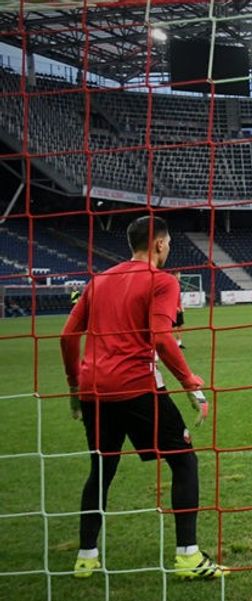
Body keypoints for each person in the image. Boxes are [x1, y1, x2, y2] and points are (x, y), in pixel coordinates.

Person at [59, 215, 225, 580]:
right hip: (136, 386)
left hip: (93, 390)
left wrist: (74, 386)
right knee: (184, 462)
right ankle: (188, 558)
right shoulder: (162, 281)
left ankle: (86, 558)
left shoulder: (99, 280)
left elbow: (68, 336)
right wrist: (190, 383)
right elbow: (162, 336)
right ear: (160, 245)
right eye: (167, 245)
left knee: (101, 470)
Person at [171, 271, 185, 348]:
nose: (180, 276)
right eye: (179, 274)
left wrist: (181, 306)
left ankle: (178, 343)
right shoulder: (172, 283)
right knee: (170, 327)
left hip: (178, 308)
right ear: (175, 275)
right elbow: (170, 297)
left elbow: (178, 298)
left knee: (180, 325)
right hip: (173, 309)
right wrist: (175, 307)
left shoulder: (177, 284)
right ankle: (170, 343)